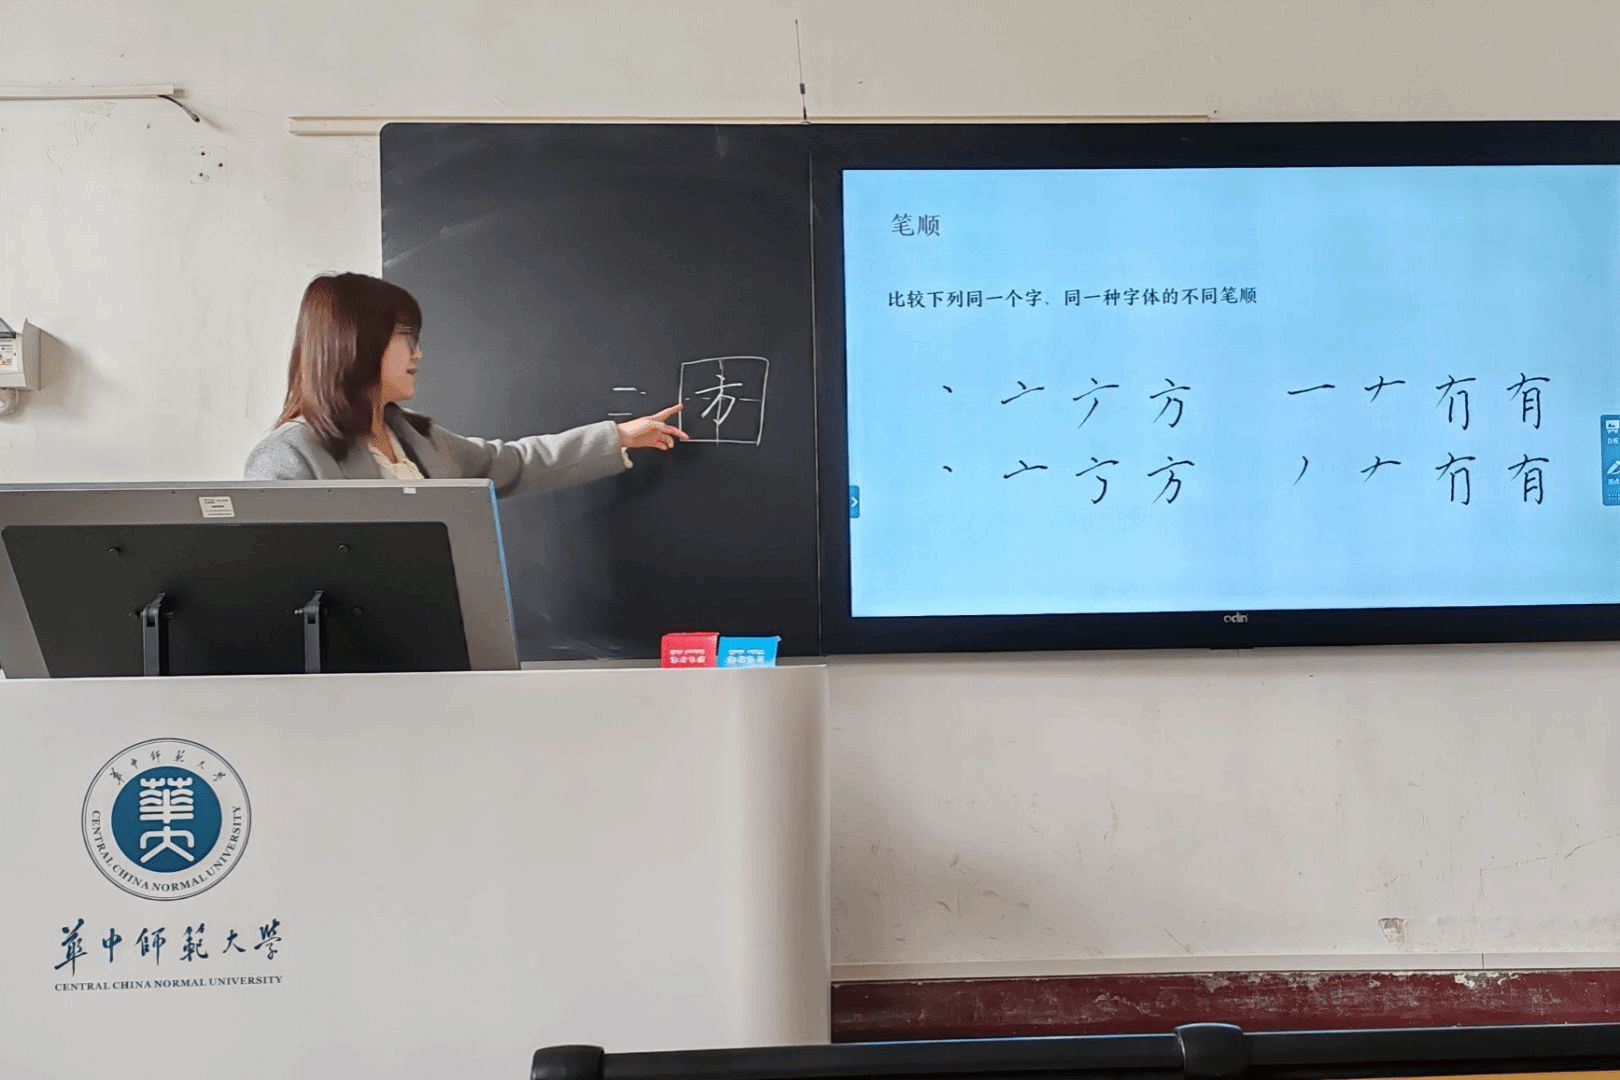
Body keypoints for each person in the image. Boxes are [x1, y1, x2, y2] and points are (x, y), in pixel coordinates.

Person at [244, 272, 686, 490]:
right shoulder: (289, 457)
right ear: (358, 344)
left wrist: (619, 437)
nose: (418, 353)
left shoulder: (416, 438)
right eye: (406, 338)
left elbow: (513, 463)